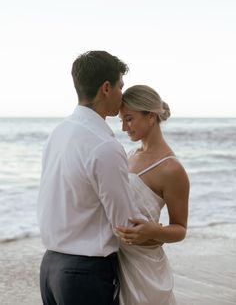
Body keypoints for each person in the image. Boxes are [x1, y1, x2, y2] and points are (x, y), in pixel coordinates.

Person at [37, 51, 146, 305]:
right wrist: (164, 234)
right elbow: (125, 225)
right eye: (120, 86)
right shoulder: (104, 145)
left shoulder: (58, 133)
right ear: (106, 88)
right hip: (84, 275)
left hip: (50, 269)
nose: (122, 94)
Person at [115, 85, 190, 305]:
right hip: (116, 260)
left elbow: (180, 229)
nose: (123, 127)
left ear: (150, 116)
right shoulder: (129, 155)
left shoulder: (172, 169)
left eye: (128, 119)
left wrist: (153, 230)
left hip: (145, 267)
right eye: (121, 120)